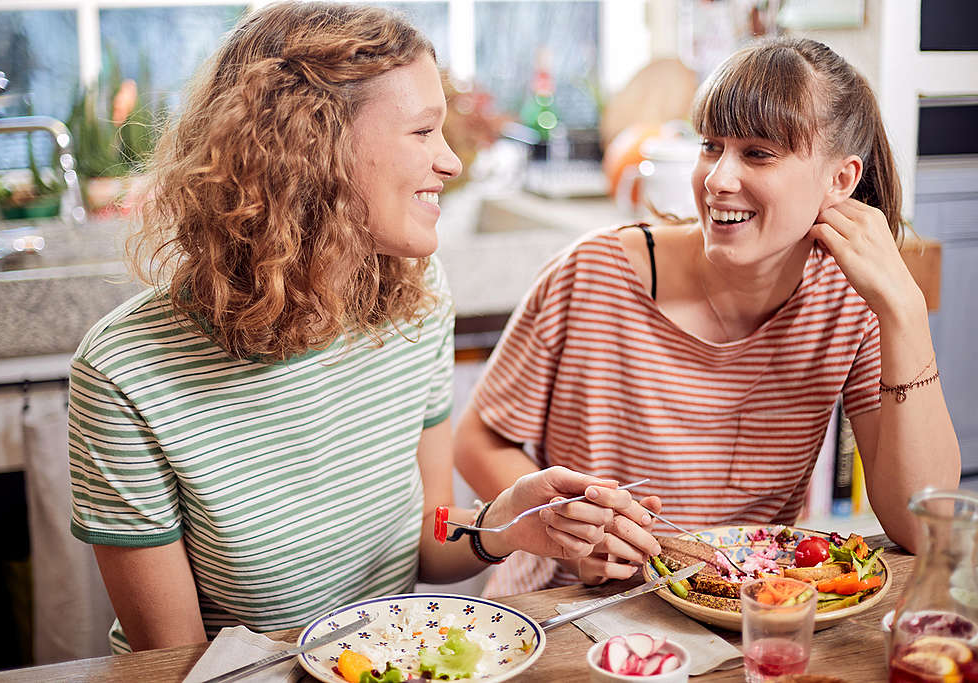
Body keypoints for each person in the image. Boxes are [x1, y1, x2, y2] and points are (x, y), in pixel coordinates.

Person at [68, 2, 653, 653]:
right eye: (422, 131)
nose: (450, 162)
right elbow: (174, 660)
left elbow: (427, 546)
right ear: (315, 145)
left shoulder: (417, 296)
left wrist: (506, 522)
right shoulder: (125, 372)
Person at [455, 36, 961, 595]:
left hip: (745, 615)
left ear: (840, 181)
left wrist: (905, 312)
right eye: (711, 146)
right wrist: (567, 531)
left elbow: (920, 524)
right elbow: (478, 441)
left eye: (758, 153)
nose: (718, 179)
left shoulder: (847, 304)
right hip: (570, 609)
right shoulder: (593, 272)